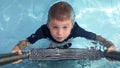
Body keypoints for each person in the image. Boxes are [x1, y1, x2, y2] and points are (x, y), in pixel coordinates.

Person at [12, 1, 116, 63]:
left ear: (72, 25)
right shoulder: (44, 30)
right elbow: (26, 42)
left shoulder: (76, 30)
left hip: (69, 44)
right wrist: (18, 48)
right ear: (48, 25)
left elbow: (98, 38)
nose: (60, 33)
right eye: (55, 27)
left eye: (65, 27)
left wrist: (110, 45)